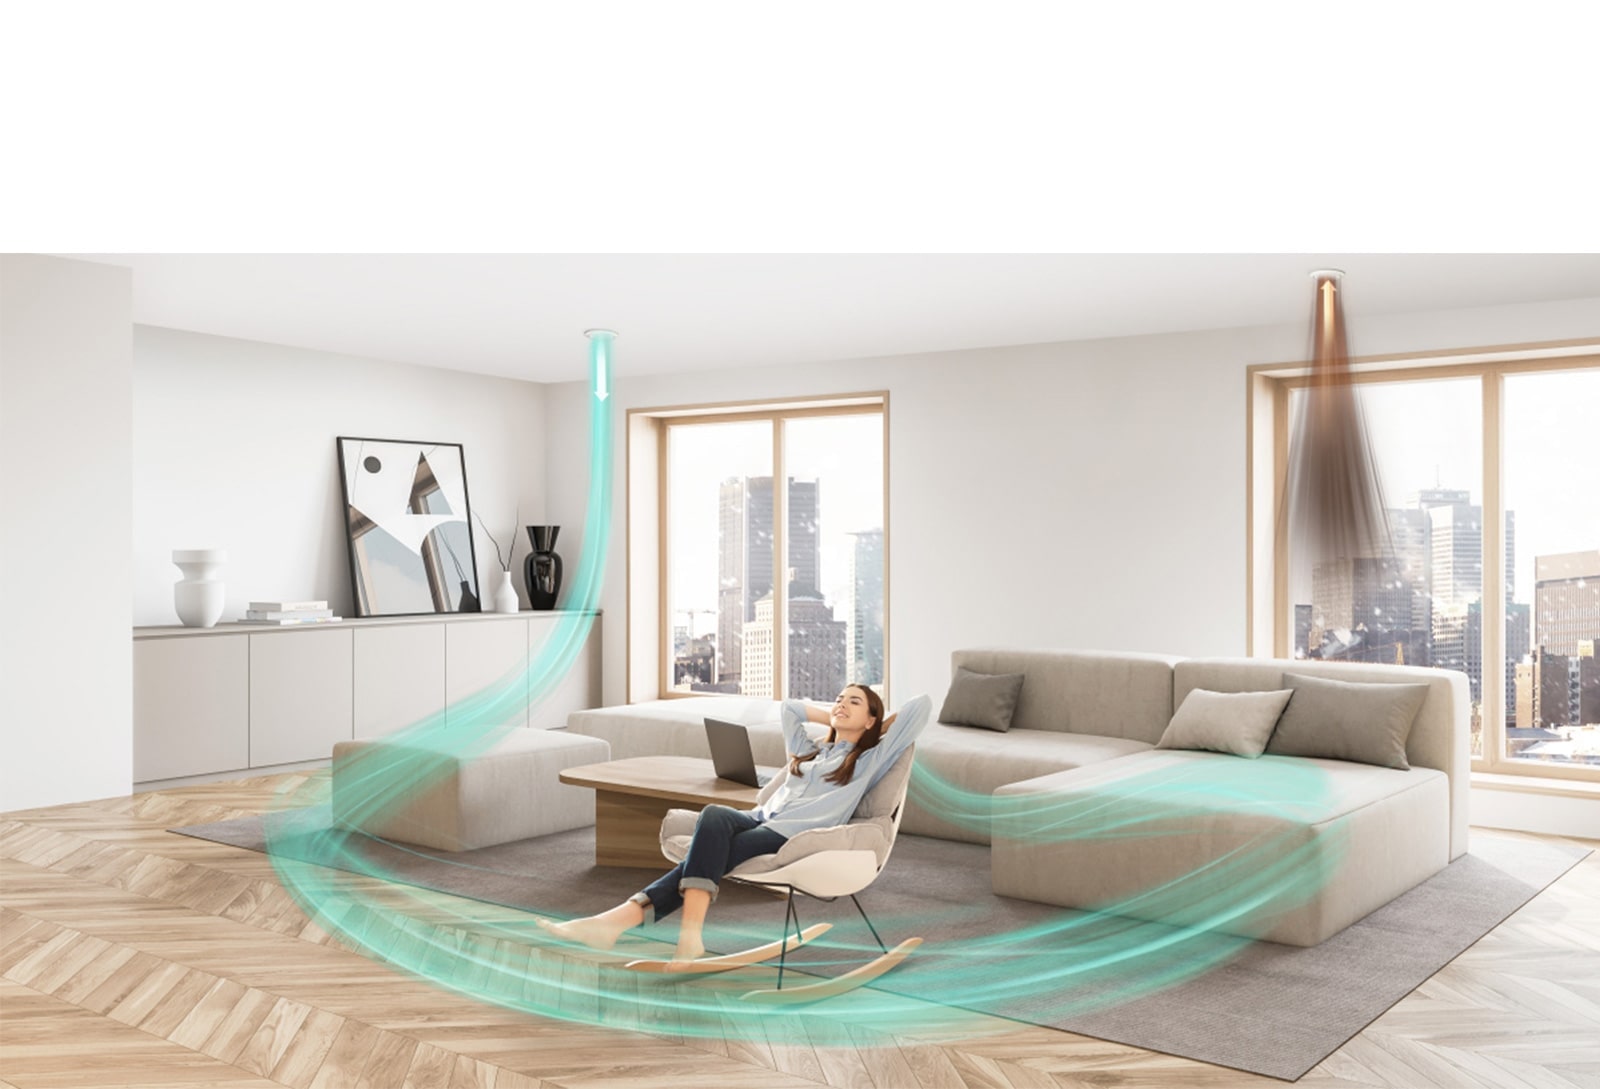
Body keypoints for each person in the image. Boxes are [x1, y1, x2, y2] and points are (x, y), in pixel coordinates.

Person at [537, 685, 931, 967]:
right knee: (713, 817)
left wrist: (874, 728)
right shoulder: (810, 751)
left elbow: (921, 706)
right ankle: (665, 934)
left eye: (854, 701)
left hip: (789, 836)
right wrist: (832, 713)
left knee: (705, 850)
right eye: (840, 698)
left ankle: (626, 924)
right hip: (760, 820)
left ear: (872, 718)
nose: (843, 704)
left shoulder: (867, 761)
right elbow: (789, 709)